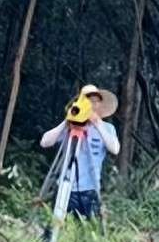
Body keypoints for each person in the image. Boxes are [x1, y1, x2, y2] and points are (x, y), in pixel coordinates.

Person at [39, 84, 119, 225]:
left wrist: (97, 123)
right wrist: (67, 121)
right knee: (57, 228)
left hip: (90, 190)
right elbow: (45, 142)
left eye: (95, 101)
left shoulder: (107, 128)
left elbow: (115, 149)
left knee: (90, 231)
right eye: (88, 100)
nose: (92, 104)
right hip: (65, 189)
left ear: (100, 105)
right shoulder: (70, 126)